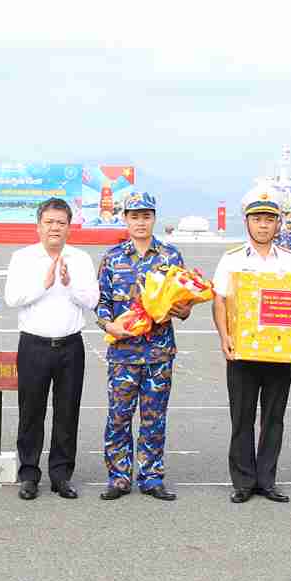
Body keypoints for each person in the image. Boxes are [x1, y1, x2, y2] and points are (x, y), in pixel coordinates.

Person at [212, 189, 291, 504]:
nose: (263, 225)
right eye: (257, 219)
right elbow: (220, 300)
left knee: (273, 417)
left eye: (269, 219)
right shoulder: (232, 259)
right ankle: (242, 481)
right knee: (241, 416)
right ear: (247, 222)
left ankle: (267, 480)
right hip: (242, 351)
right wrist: (224, 336)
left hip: (280, 352)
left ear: (277, 224)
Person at [95, 191, 189, 501]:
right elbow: (101, 303)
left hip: (159, 351)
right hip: (123, 353)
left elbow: (185, 305)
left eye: (145, 216)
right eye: (134, 216)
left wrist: (180, 309)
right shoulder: (112, 257)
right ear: (125, 219)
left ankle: (151, 476)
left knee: (154, 417)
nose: (140, 221)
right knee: (119, 416)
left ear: (154, 218)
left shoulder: (170, 257)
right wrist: (110, 326)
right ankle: (119, 477)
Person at [4, 197, 97, 501]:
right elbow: (12, 299)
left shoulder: (81, 259)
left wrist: (69, 284)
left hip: (70, 345)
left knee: (67, 412)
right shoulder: (22, 258)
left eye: (61, 222)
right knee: (31, 412)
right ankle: (29, 474)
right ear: (38, 226)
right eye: (49, 222)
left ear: (69, 227)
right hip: (34, 345)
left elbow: (92, 301)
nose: (55, 227)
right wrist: (43, 284)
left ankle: (61, 475)